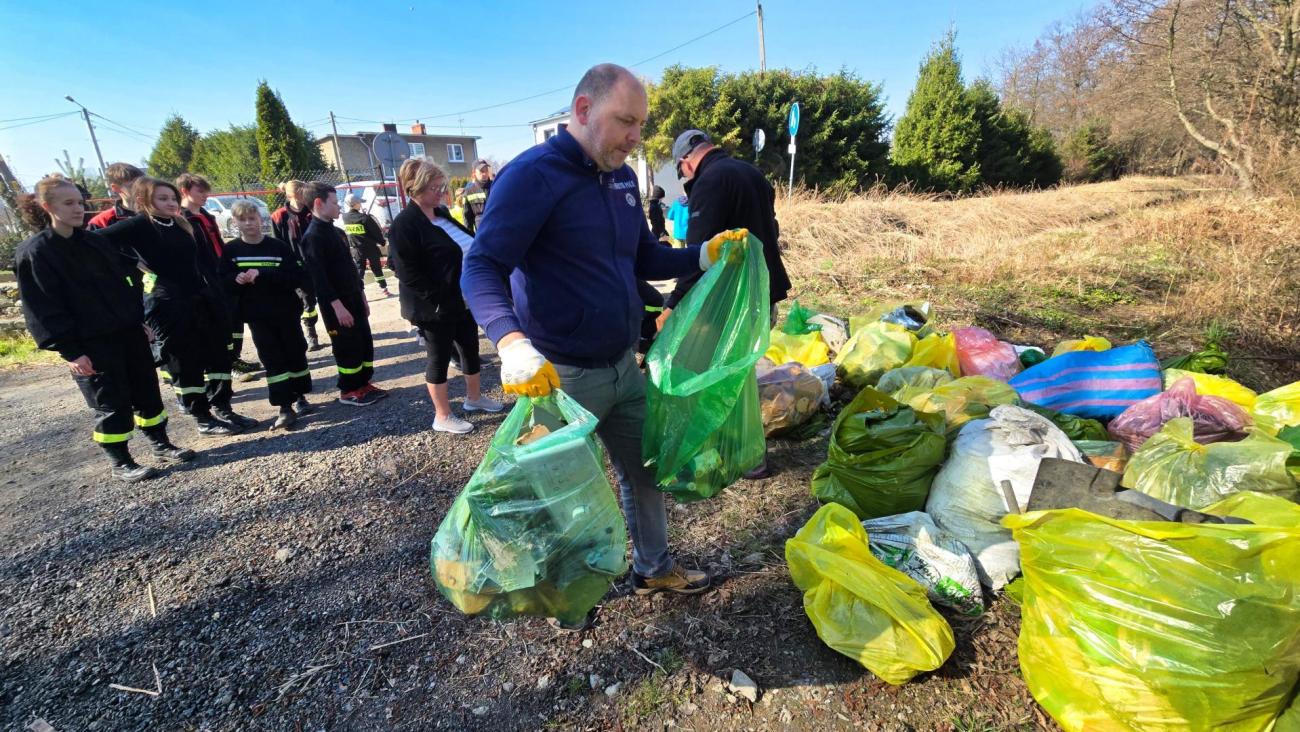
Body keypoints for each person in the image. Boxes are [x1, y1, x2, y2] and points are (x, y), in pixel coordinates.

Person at [463, 63, 735, 601]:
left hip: (622, 365)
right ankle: (567, 590)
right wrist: (511, 341)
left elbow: (642, 254)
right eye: (625, 122)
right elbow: (480, 267)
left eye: (640, 125)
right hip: (559, 376)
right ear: (583, 111)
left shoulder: (620, 177)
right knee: (560, 494)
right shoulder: (532, 176)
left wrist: (699, 256)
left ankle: (653, 568)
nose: (636, 137)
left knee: (646, 472)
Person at [15, 175, 196, 481]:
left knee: (147, 392)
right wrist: (70, 351)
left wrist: (139, 319)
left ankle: (160, 443)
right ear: (48, 207)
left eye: (80, 202)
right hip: (90, 342)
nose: (78, 209)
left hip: (127, 331)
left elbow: (124, 282)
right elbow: (42, 307)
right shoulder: (37, 252)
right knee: (110, 401)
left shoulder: (94, 242)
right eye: (68, 203)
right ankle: (121, 460)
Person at [662, 128, 794, 478]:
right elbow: (773, 230)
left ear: (686, 161)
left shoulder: (711, 182)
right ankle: (744, 451)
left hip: (730, 298)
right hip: (761, 289)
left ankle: (743, 456)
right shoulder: (751, 173)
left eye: (681, 171)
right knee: (741, 371)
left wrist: (674, 303)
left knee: (724, 375)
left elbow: (698, 253)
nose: (684, 176)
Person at [101, 178, 256, 434]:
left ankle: (223, 407)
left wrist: (217, 293)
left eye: (172, 198)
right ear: (144, 201)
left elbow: (204, 262)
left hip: (201, 299)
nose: (170, 203)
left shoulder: (183, 222)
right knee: (186, 362)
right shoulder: (139, 224)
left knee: (219, 355)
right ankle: (202, 417)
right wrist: (133, 268)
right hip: (169, 304)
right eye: (162, 198)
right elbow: (97, 241)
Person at [390, 157, 503, 434]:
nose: (441, 193)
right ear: (414, 189)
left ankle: (474, 399)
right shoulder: (405, 225)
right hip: (434, 307)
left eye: (442, 186)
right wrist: (438, 299)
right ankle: (442, 416)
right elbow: (406, 271)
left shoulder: (440, 214)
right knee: (439, 358)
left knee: (470, 349)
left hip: (461, 299)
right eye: (434, 188)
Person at [220, 201, 315, 429]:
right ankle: (284, 407)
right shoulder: (231, 251)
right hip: (257, 316)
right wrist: (236, 279)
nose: (248, 223)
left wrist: (262, 274)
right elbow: (222, 281)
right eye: (242, 220)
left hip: (286, 312)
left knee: (295, 353)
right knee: (272, 359)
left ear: (260, 220)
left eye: (252, 218)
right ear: (235, 223)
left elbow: (296, 276)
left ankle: (301, 395)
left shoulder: (278, 247)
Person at [297, 182, 388, 406]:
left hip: (353, 297)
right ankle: (349, 389)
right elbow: (319, 278)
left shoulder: (336, 232)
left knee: (363, 342)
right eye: (335, 203)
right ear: (319, 203)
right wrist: (337, 306)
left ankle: (363, 383)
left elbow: (349, 267)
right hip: (337, 304)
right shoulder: (313, 236)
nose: (339, 207)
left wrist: (362, 295)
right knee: (347, 347)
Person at [177, 173, 261, 378]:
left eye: (206, 190)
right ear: (185, 191)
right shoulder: (182, 219)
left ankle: (234, 358)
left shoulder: (205, 215)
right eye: (200, 191)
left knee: (234, 319)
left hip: (221, 274)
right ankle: (223, 364)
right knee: (217, 324)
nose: (205, 195)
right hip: (206, 281)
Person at [271, 180, 322, 351]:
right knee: (307, 301)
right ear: (292, 194)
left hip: (315, 263)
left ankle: (336, 329)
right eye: (302, 191)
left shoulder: (311, 212)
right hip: (296, 267)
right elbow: (277, 243)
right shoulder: (279, 216)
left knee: (325, 295)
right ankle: (311, 333)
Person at [341, 194, 391, 297]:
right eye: (359, 202)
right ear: (355, 204)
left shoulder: (345, 217)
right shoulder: (364, 218)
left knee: (360, 270)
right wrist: (382, 242)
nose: (360, 204)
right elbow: (376, 232)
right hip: (370, 248)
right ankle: (384, 289)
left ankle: (359, 291)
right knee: (376, 268)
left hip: (356, 249)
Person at [86, 162, 144, 230]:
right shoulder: (101, 222)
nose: (141, 189)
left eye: (144, 184)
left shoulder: (156, 211)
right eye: (133, 186)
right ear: (115, 188)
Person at [460, 159, 493, 233]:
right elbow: (467, 218)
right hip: (482, 235)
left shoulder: (496, 186)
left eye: (486, 170)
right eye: (481, 171)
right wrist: (470, 237)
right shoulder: (469, 192)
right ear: (474, 173)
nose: (484, 173)